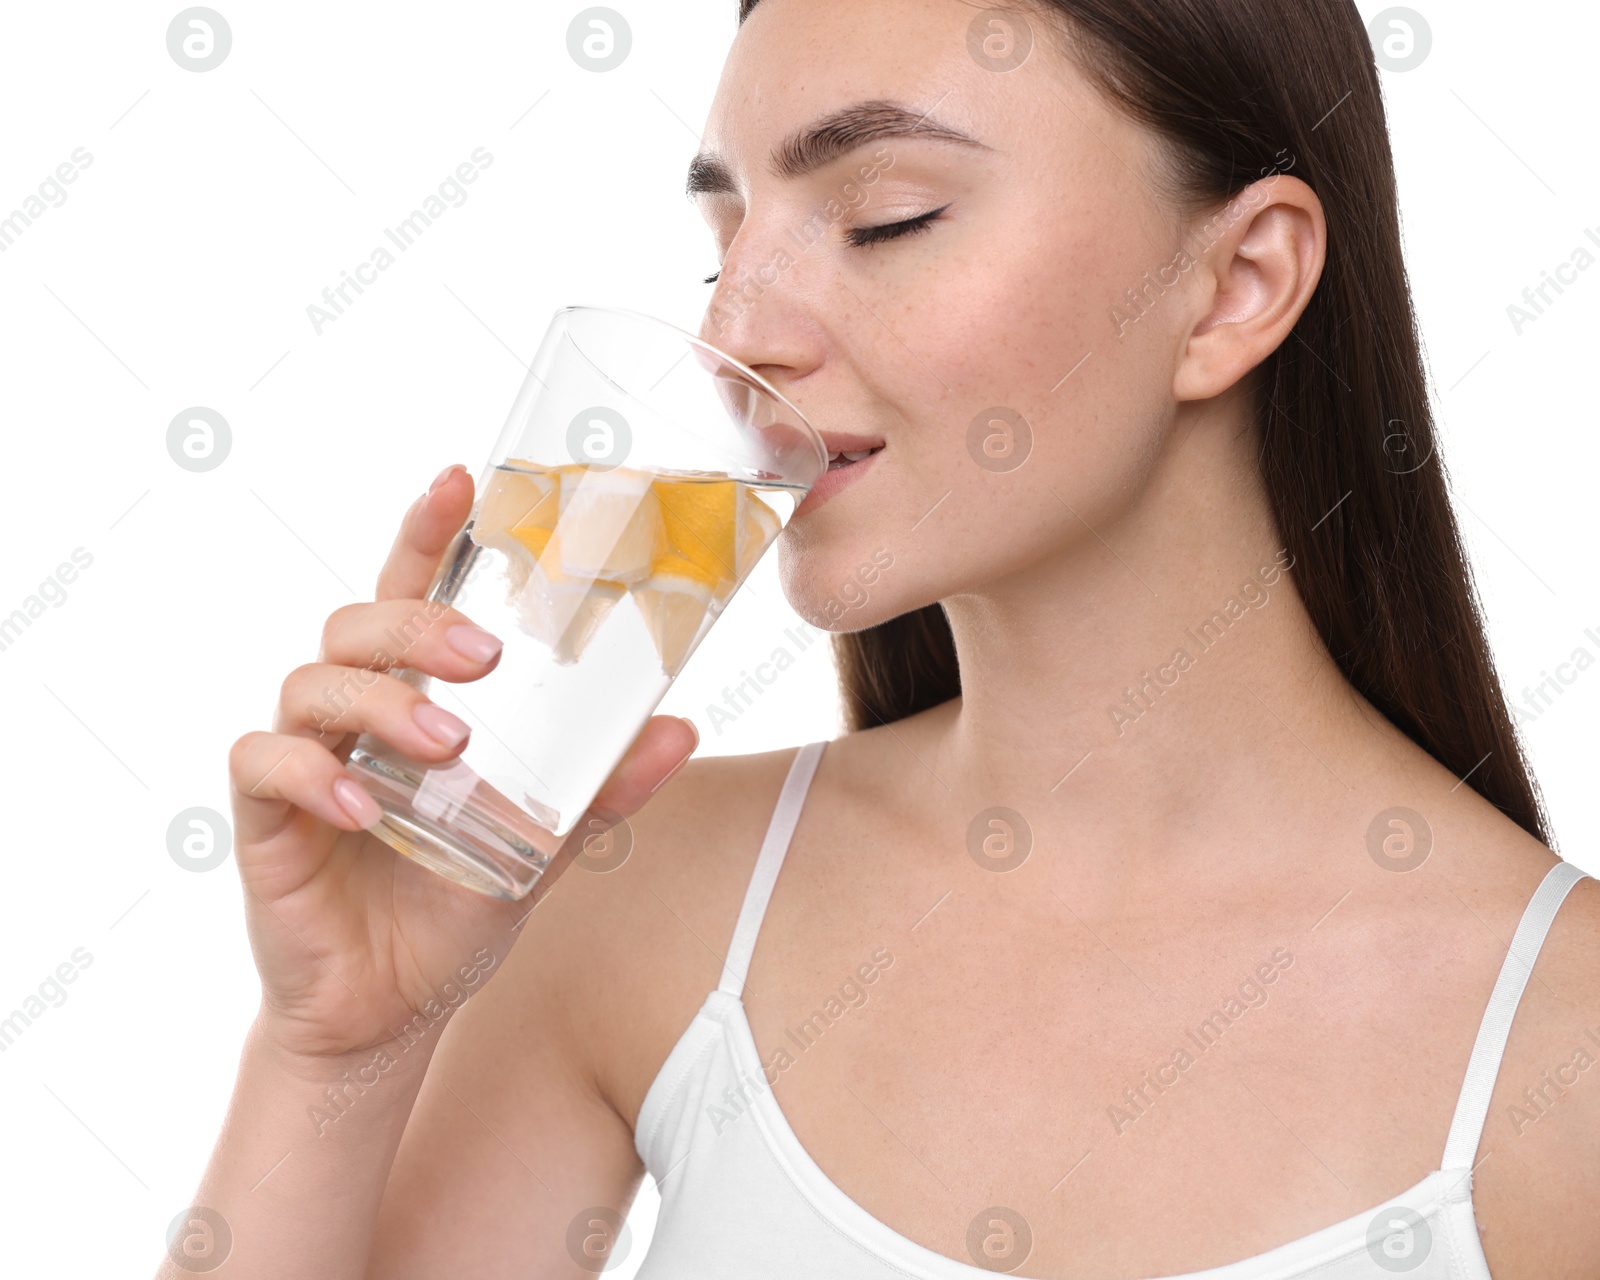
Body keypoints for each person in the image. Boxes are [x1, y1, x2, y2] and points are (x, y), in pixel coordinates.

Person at [169, 0, 1600, 1276]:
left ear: (1236, 286)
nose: (738, 329)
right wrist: (340, 1051)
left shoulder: (1563, 1052)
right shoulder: (636, 892)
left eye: (886, 217)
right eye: (727, 239)